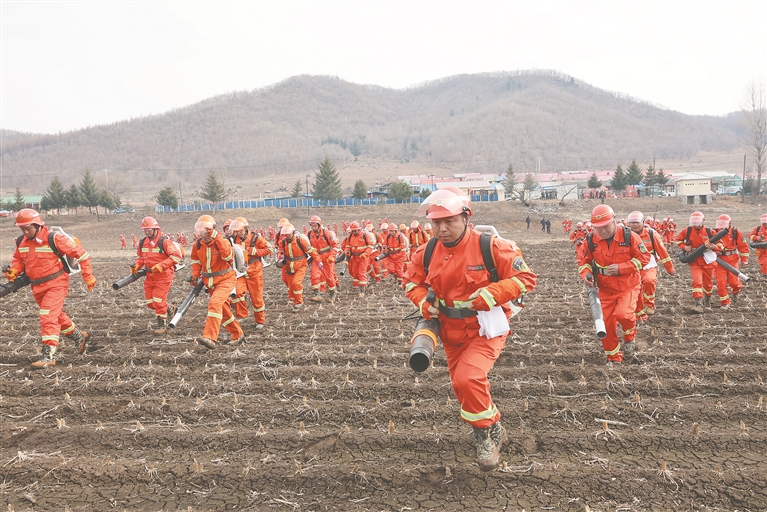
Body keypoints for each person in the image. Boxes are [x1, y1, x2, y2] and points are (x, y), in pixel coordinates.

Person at [403, 188, 536, 472]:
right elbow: (411, 283)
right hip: (450, 332)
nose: (442, 228)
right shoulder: (426, 253)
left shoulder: (491, 246)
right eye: (436, 222)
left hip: (485, 328)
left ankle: (484, 437)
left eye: (449, 221)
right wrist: (423, 303)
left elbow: (526, 278)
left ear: (466, 218)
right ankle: (495, 426)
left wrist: (492, 293)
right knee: (461, 386)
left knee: (468, 378)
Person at [6, 208, 96, 368]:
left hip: (56, 284)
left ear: (37, 225)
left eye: (28, 228)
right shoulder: (21, 241)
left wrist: (88, 276)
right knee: (56, 315)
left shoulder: (54, 238)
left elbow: (82, 254)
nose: (25, 232)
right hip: (37, 286)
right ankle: (79, 337)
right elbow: (18, 260)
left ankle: (48, 356)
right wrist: (14, 270)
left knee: (47, 317)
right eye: (22, 229)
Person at [576, 205, 650, 362]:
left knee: (624, 315)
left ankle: (629, 338)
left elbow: (644, 258)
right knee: (606, 326)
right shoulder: (590, 240)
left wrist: (622, 268)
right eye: (598, 227)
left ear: (614, 221)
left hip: (628, 286)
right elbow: (583, 261)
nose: (602, 231)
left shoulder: (630, 236)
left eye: (606, 226)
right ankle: (614, 358)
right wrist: (586, 275)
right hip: (604, 290)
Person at [190, 215, 243, 349]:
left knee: (214, 304)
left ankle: (210, 337)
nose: (204, 235)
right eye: (201, 232)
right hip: (210, 282)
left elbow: (228, 256)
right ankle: (238, 334)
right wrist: (194, 275)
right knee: (222, 309)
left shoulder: (222, 241)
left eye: (206, 232)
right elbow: (196, 262)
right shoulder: (198, 245)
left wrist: (217, 238)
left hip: (226, 279)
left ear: (213, 230)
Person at [132, 216, 183, 335]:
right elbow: (141, 257)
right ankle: (170, 308)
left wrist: (161, 266)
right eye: (145, 230)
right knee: (151, 303)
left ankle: (162, 324)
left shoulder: (164, 242)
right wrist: (137, 266)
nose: (146, 232)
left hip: (164, 276)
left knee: (158, 300)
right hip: (150, 277)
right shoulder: (143, 242)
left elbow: (176, 257)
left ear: (156, 229)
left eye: (149, 229)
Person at [625, 211, 675, 320]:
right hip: (632, 266)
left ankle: (649, 304)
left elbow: (662, 252)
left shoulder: (651, 234)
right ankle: (639, 312)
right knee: (635, 287)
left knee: (649, 281)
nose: (635, 225)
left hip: (648, 264)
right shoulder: (624, 235)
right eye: (632, 222)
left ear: (643, 222)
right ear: (628, 223)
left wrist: (670, 268)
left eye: (637, 222)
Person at [229, 217, 272, 328]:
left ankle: (260, 320)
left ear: (245, 228)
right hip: (240, 272)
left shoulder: (256, 238)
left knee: (256, 298)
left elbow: (270, 249)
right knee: (237, 293)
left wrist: (256, 251)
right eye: (236, 231)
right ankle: (242, 314)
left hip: (255, 273)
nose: (237, 233)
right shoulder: (233, 239)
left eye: (239, 230)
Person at [675, 212, 721, 313]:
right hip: (695, 260)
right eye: (694, 222)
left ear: (703, 221)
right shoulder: (687, 230)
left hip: (708, 261)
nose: (696, 224)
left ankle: (707, 300)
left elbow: (721, 244)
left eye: (697, 222)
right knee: (697, 281)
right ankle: (698, 303)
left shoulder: (709, 231)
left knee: (708, 284)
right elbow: (678, 240)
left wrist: (714, 247)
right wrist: (684, 247)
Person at [276, 223, 316, 309]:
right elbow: (280, 252)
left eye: (288, 234)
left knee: (296, 283)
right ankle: (294, 300)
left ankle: (299, 302)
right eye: (285, 235)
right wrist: (280, 258)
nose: (287, 236)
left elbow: (311, 251)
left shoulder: (300, 240)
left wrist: (318, 261)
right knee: (290, 285)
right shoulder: (282, 242)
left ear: (293, 232)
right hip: (289, 266)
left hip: (301, 265)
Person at [713, 214, 749, 307]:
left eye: (724, 223)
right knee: (721, 283)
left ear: (730, 223)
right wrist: (714, 251)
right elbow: (707, 245)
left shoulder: (736, 232)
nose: (721, 226)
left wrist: (744, 259)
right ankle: (725, 303)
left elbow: (743, 246)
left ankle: (735, 292)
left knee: (734, 283)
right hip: (719, 261)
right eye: (720, 223)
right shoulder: (714, 232)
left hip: (732, 260)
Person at [307, 215, 340, 302]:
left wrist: (332, 256)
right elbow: (307, 247)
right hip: (316, 258)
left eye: (315, 225)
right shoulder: (310, 234)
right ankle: (316, 294)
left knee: (329, 277)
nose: (313, 227)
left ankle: (332, 293)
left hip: (327, 258)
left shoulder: (326, 233)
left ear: (319, 224)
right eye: (312, 225)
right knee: (314, 275)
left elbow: (335, 245)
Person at [341, 221, 374, 296]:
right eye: (353, 231)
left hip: (363, 258)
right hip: (355, 257)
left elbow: (371, 245)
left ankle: (362, 290)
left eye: (355, 230)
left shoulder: (365, 235)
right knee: (355, 273)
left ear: (359, 229)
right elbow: (347, 246)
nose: (354, 232)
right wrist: (347, 251)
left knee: (361, 273)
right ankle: (365, 283)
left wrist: (366, 254)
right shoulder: (350, 236)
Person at [748, 214, 767, 278]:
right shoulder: (758, 229)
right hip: (762, 251)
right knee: (764, 264)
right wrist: (757, 238)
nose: (765, 223)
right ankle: (765, 276)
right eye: (764, 222)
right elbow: (750, 236)